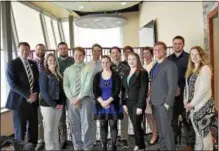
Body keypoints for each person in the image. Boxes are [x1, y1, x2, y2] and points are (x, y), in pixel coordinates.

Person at [6, 42, 39, 145]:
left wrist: (35, 94)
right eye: (22, 50)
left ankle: (31, 148)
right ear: (18, 50)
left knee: (33, 130)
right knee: (20, 130)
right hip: (19, 103)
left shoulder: (33, 63)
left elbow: (37, 81)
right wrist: (28, 95)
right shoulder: (12, 64)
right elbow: (12, 84)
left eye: (27, 50)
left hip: (33, 102)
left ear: (30, 51)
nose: (25, 52)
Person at [184, 46, 214, 151]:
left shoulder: (205, 68)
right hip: (192, 106)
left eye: (197, 54)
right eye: (192, 54)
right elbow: (186, 88)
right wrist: (186, 102)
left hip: (203, 105)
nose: (194, 56)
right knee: (197, 131)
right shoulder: (191, 69)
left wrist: (192, 103)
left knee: (204, 132)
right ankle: (198, 148)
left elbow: (204, 89)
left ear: (202, 55)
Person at [167, 36, 195, 150]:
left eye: (179, 43)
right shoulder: (168, 59)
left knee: (186, 120)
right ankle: (172, 143)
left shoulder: (189, 58)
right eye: (175, 43)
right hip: (172, 95)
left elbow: (193, 76)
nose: (177, 46)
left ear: (183, 44)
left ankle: (189, 144)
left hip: (186, 95)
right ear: (172, 45)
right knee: (172, 120)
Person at [63, 47, 93, 150]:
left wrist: (79, 97)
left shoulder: (88, 68)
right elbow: (65, 86)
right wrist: (72, 98)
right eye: (76, 55)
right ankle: (77, 146)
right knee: (74, 124)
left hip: (85, 99)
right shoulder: (68, 70)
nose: (78, 57)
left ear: (84, 56)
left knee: (87, 124)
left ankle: (87, 146)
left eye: (80, 55)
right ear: (73, 56)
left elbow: (87, 85)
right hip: (71, 100)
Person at [150, 41, 178, 151]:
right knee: (161, 130)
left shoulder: (170, 65)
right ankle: (163, 148)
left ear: (165, 51)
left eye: (159, 49)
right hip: (154, 102)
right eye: (155, 50)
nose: (156, 51)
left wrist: (167, 103)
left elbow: (172, 86)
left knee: (167, 130)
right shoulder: (156, 64)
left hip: (164, 103)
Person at [93, 55, 123, 151]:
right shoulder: (97, 76)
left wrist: (108, 101)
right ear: (101, 64)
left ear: (110, 63)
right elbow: (95, 90)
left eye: (107, 62)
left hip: (113, 104)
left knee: (113, 125)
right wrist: (102, 102)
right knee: (103, 125)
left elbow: (117, 90)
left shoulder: (116, 75)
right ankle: (104, 146)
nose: (105, 64)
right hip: (101, 104)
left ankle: (113, 146)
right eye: (103, 62)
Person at [122, 52, 148, 151]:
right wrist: (123, 103)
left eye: (134, 59)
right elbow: (123, 89)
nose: (131, 61)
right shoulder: (127, 72)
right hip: (128, 103)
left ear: (138, 60)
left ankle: (141, 147)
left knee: (137, 125)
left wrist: (140, 106)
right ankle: (137, 143)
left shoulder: (142, 72)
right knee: (134, 124)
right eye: (129, 59)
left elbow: (143, 90)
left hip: (138, 103)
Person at [39, 54, 65, 150]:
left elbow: (62, 91)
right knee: (49, 129)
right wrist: (54, 105)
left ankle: (56, 148)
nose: (52, 61)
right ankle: (50, 148)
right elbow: (44, 92)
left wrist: (62, 103)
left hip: (59, 106)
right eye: (50, 60)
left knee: (55, 129)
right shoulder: (44, 74)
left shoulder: (59, 74)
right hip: (47, 106)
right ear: (46, 62)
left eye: (54, 60)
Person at [110, 46, 130, 149]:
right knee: (113, 119)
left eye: (117, 52)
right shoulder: (107, 67)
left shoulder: (126, 67)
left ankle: (124, 138)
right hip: (111, 97)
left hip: (123, 96)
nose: (115, 54)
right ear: (110, 55)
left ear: (120, 54)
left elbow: (128, 83)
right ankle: (113, 139)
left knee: (124, 118)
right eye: (113, 53)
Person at [57, 42, 75, 148]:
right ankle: (63, 140)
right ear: (58, 50)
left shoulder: (73, 61)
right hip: (59, 94)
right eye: (61, 49)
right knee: (61, 119)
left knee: (73, 117)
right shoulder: (56, 61)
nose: (63, 50)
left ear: (68, 49)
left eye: (65, 48)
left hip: (71, 94)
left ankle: (74, 138)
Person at [142, 47, 158, 145]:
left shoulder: (155, 64)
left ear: (151, 54)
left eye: (147, 53)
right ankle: (154, 133)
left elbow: (156, 80)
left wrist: (151, 90)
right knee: (147, 114)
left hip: (153, 92)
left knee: (155, 115)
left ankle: (157, 134)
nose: (146, 55)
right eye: (144, 54)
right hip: (145, 94)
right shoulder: (142, 66)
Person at [88, 44, 102, 146]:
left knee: (102, 119)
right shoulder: (87, 65)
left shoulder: (104, 63)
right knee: (91, 119)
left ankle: (103, 139)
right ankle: (92, 140)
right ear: (91, 52)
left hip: (102, 96)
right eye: (95, 51)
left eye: (98, 51)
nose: (96, 53)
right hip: (91, 96)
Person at [33, 43, 46, 150]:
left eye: (42, 49)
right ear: (35, 50)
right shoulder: (31, 62)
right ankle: (40, 140)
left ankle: (53, 139)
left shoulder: (48, 61)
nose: (40, 51)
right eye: (38, 49)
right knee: (39, 119)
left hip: (48, 94)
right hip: (36, 94)